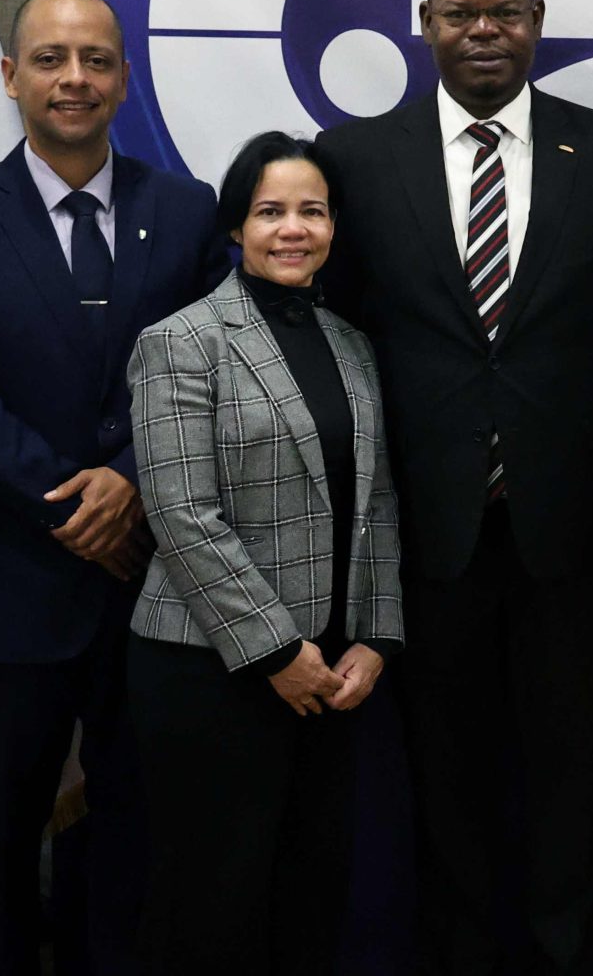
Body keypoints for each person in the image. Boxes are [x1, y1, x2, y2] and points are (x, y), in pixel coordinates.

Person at [313, 0, 593, 976]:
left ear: (537, 21)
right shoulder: (354, 158)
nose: (483, 32)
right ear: (424, 23)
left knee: (569, 779)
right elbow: (337, 340)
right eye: (459, 14)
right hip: (424, 532)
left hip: (575, 534)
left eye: (504, 12)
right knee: (442, 781)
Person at [0, 0, 229, 976]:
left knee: (138, 839)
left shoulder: (187, 213)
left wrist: (132, 480)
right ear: (12, 77)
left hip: (156, 587)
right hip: (7, 588)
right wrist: (81, 504)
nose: (73, 78)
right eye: (49, 59)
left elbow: (217, 371)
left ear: (125, 78)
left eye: (95, 60)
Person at [123, 133, 402, 976]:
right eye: (270, 211)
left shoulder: (353, 344)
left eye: (312, 211)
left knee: (310, 899)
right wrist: (279, 652)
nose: (293, 229)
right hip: (210, 670)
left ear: (334, 226)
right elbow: (181, 514)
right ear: (236, 226)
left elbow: (377, 501)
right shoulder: (181, 340)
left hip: (330, 676)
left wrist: (376, 637)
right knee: (212, 909)